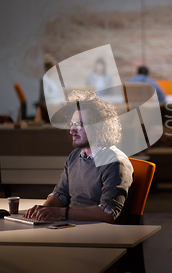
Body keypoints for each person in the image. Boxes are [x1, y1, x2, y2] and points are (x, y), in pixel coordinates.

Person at [24, 89, 133, 223]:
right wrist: (43, 210)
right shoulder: (75, 156)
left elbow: (107, 213)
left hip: (98, 233)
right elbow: (61, 194)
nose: (72, 131)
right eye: (72, 124)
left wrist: (60, 212)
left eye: (79, 125)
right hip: (71, 225)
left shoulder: (115, 162)